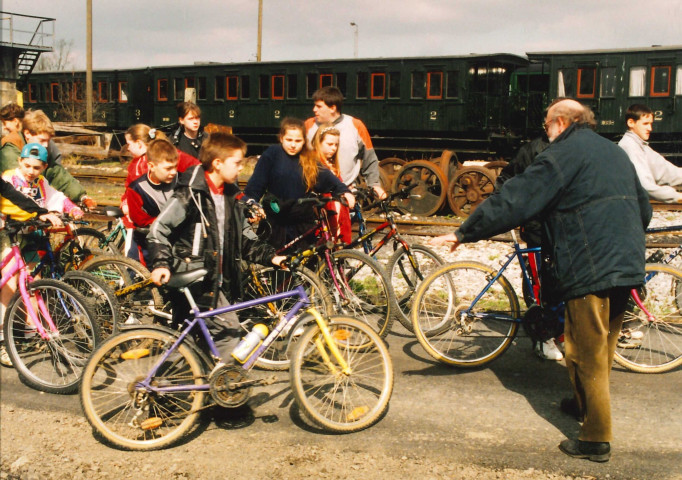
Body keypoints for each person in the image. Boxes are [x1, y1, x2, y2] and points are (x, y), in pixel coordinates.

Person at [429, 98, 652, 462]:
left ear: (561, 123)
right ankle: (583, 404)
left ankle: (595, 439)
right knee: (605, 344)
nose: (545, 131)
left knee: (584, 351)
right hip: (626, 262)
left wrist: (464, 233)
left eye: (547, 124)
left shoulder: (562, 153)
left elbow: (516, 197)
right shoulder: (612, 152)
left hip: (589, 264)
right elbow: (643, 209)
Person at [147, 132, 286, 359]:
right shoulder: (191, 193)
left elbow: (244, 236)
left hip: (217, 277)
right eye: (237, 163)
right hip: (195, 276)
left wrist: (271, 257)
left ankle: (166, 385)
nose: (241, 168)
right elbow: (158, 231)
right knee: (227, 331)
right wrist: (161, 263)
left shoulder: (230, 195)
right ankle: (225, 387)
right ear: (218, 164)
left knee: (190, 341)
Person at [1, 143, 81, 367]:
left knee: (33, 281)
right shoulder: (10, 177)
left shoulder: (39, 182)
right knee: (9, 281)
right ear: (20, 162)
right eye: (27, 165)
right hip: (11, 235)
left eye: (36, 167)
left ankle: (29, 331)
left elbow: (55, 197)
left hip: (29, 236)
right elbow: (6, 200)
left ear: (44, 167)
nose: (31, 171)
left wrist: (69, 208)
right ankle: (2, 338)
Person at [244, 117, 355, 248]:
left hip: (303, 222)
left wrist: (345, 191)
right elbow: (256, 185)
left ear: (304, 141)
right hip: (276, 221)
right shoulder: (272, 154)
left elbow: (328, 178)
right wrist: (251, 204)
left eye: (298, 141)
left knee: (306, 264)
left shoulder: (309, 158)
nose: (293, 145)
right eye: (289, 140)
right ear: (281, 138)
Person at [121, 123, 199, 260]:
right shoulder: (138, 169)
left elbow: (197, 168)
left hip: (165, 228)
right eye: (169, 169)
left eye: (129, 143)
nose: (127, 147)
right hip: (150, 229)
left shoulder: (161, 156)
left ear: (139, 143)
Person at [0, 107, 96, 208]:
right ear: (27, 134)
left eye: (48, 141)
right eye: (42, 140)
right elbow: (20, 185)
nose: (46, 145)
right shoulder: (10, 148)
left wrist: (82, 196)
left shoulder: (40, 148)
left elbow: (56, 173)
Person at [304, 86, 386, 199]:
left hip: (346, 192)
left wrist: (374, 185)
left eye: (318, 106)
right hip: (314, 194)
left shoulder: (356, 125)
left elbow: (369, 158)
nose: (314, 110)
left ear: (332, 108)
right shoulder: (308, 125)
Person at [125, 138, 180, 266]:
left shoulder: (181, 180)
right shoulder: (136, 189)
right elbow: (140, 220)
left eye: (175, 167)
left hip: (177, 243)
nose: (173, 172)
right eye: (168, 168)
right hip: (147, 244)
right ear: (151, 166)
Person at [618, 103, 682, 203]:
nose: (650, 128)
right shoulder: (629, 146)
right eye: (645, 124)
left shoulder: (641, 146)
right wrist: (677, 196)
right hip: (627, 208)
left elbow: (666, 171)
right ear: (631, 123)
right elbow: (645, 186)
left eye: (651, 124)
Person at [311, 123, 352, 244]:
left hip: (335, 209)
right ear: (319, 143)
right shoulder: (315, 163)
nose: (333, 148)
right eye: (329, 144)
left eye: (336, 145)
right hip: (324, 210)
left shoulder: (331, 164)